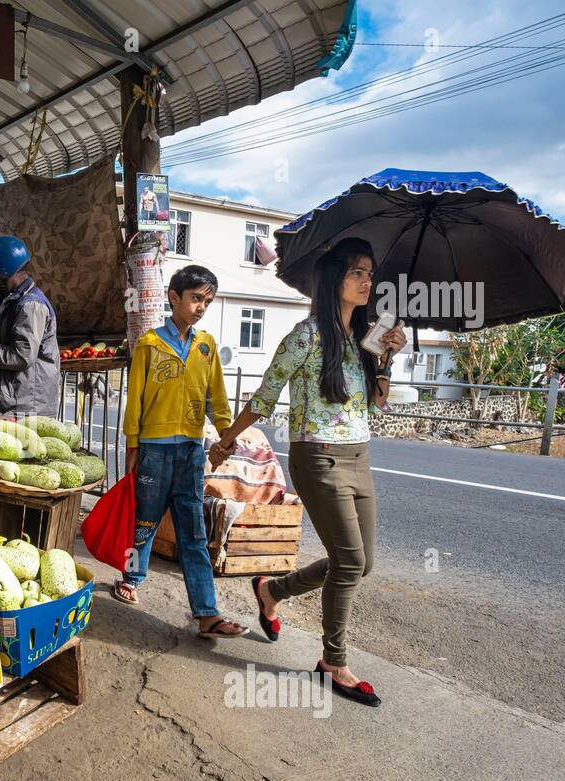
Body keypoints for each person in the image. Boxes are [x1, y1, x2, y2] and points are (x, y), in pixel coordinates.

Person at [209, 237, 407, 707]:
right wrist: (225, 441)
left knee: (362, 563)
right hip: (317, 458)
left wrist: (386, 360)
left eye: (369, 273)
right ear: (333, 278)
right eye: (357, 272)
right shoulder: (306, 335)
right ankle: (333, 662)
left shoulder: (365, 337)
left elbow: (374, 403)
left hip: (360, 457)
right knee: (351, 563)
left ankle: (272, 589)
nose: (367, 281)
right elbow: (265, 394)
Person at [114, 265, 248, 638]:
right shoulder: (149, 345)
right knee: (145, 522)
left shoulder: (206, 348)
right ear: (174, 297)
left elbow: (216, 399)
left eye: (207, 301)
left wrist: (226, 434)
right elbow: (135, 401)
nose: (201, 307)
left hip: (191, 452)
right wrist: (132, 445)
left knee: (193, 531)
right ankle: (130, 576)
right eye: (195, 298)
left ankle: (207, 612)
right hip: (153, 452)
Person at [0, 235, 60, 417]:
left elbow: (21, 356)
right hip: (14, 402)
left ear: (3, 270)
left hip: (25, 407)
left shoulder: (30, 305)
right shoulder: (12, 301)